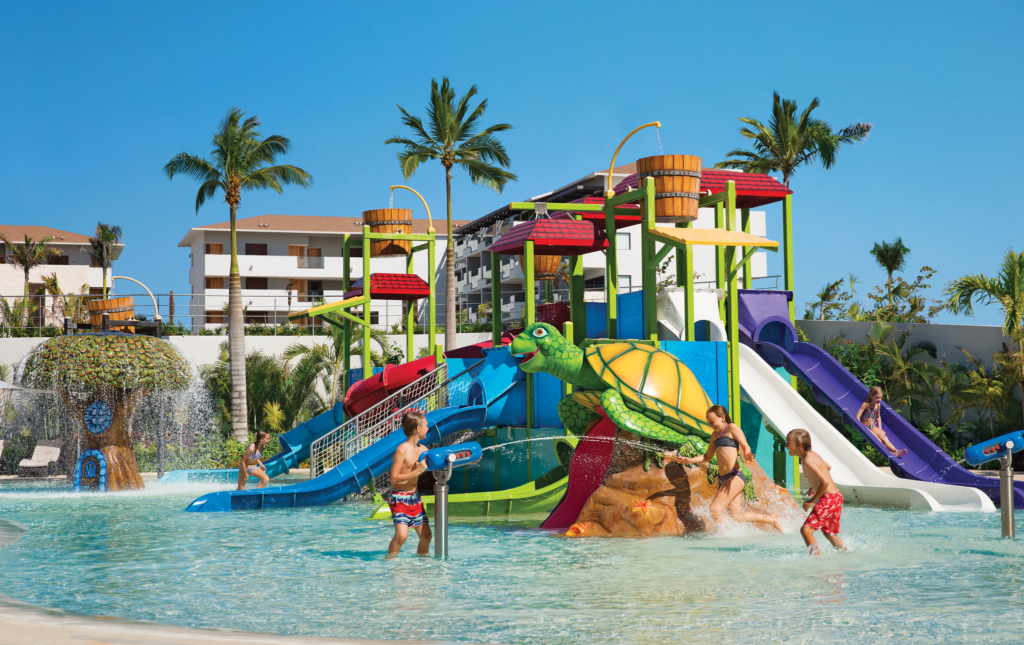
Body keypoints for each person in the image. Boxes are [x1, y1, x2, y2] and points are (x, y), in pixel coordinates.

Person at [669, 404, 782, 532]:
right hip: (726, 478)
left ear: (722, 417)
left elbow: (745, 445)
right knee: (736, 516)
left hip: (735, 476)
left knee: (715, 508)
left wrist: (746, 456)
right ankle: (770, 519)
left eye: (712, 421)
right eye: (709, 423)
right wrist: (689, 460)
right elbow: (707, 456)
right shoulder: (714, 436)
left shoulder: (732, 428)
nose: (711, 425)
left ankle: (722, 535)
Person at [787, 429, 846, 554]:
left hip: (828, 499)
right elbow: (827, 467)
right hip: (836, 497)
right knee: (828, 532)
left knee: (806, 530)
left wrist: (812, 501)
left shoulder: (808, 460)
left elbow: (825, 482)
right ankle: (846, 551)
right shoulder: (813, 454)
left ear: (799, 445)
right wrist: (814, 486)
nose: (786, 446)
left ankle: (816, 559)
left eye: (788, 443)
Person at [386, 410, 432, 559]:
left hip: (414, 498)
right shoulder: (402, 450)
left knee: (426, 535)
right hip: (399, 498)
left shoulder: (424, 450)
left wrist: (469, 459)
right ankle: (389, 562)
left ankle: (422, 563)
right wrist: (416, 472)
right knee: (402, 536)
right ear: (418, 428)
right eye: (426, 426)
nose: (428, 428)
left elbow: (441, 463)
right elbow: (393, 478)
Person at [856, 386, 907, 458]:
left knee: (884, 437)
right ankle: (888, 452)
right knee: (878, 440)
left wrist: (880, 428)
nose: (879, 399)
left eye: (880, 397)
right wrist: (861, 427)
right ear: (871, 396)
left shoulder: (878, 405)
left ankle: (896, 451)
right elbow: (857, 416)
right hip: (864, 426)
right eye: (877, 397)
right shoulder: (865, 404)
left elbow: (878, 417)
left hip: (872, 426)